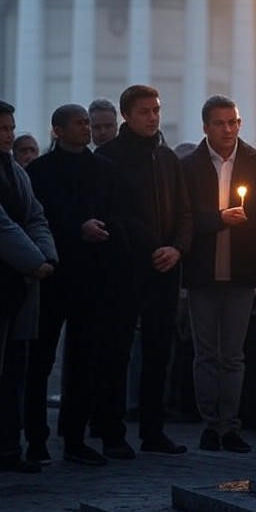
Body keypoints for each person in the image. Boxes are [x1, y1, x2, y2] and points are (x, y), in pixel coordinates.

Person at [24, 104, 132, 466]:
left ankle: (74, 438)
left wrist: (105, 229)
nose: (87, 128)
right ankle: (36, 438)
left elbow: (119, 214)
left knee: (84, 360)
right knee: (40, 361)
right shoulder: (39, 171)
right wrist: (77, 228)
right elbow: (38, 217)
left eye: (88, 122)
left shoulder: (104, 170)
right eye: (79, 123)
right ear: (57, 130)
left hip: (92, 279)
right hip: (51, 277)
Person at [96, 85, 192, 455]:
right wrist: (148, 246)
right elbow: (111, 214)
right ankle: (112, 433)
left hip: (165, 269)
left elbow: (184, 213)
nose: (153, 117)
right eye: (144, 111)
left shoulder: (167, 159)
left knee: (158, 353)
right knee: (116, 353)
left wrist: (177, 248)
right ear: (127, 115)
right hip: (123, 270)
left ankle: (154, 431)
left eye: (156, 110)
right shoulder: (107, 158)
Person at [182, 95, 256, 454]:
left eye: (233, 122)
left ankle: (229, 425)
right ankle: (209, 424)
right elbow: (183, 218)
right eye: (220, 123)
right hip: (202, 273)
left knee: (233, 354)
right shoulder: (190, 166)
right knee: (205, 354)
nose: (228, 129)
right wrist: (219, 220)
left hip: (242, 273)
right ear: (205, 127)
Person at [0, 100, 57, 474]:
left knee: (14, 372)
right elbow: (2, 226)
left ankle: (8, 447)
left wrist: (46, 256)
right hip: (11, 279)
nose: (9, 134)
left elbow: (35, 214)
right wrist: (35, 261)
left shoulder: (17, 173)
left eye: (10, 128)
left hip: (18, 286)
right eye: (3, 129)